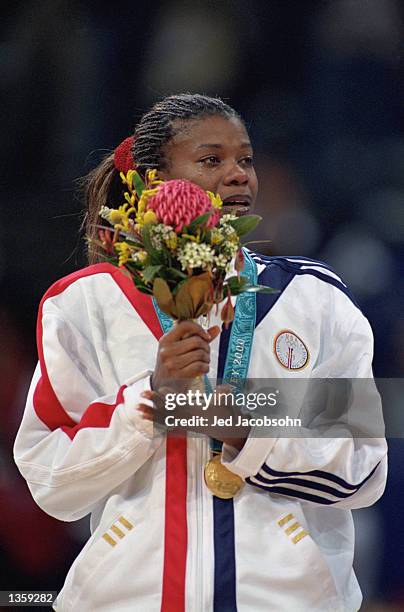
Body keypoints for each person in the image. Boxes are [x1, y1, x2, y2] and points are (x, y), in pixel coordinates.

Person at [14, 94, 387, 612]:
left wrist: (247, 429)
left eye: (246, 160)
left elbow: (365, 466)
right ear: (153, 182)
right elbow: (50, 480)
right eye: (212, 160)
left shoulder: (312, 299)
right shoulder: (86, 304)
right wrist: (149, 400)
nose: (238, 175)